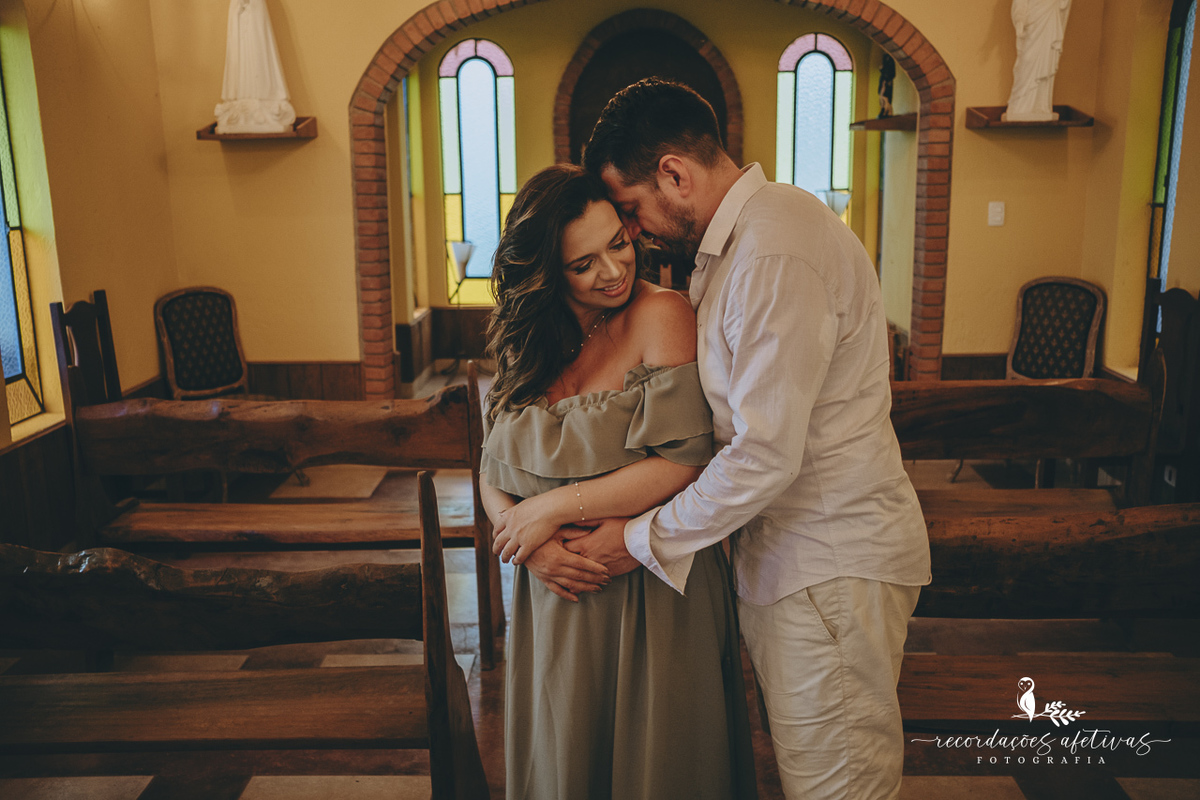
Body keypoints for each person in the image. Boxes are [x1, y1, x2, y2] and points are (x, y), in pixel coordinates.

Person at [494, 79, 932, 799]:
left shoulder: (773, 251)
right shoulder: (741, 246)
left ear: (673, 174)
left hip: (826, 564)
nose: (633, 236)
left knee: (838, 785)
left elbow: (762, 454)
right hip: (787, 563)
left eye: (629, 213)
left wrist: (637, 539)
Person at [479, 163, 756, 800]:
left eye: (618, 243)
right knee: (565, 759)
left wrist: (551, 509)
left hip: (650, 587)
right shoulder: (527, 342)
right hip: (555, 592)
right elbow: (493, 466)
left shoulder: (661, 314)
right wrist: (528, 542)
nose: (612, 271)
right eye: (584, 264)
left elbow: (685, 461)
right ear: (546, 273)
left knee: (659, 766)